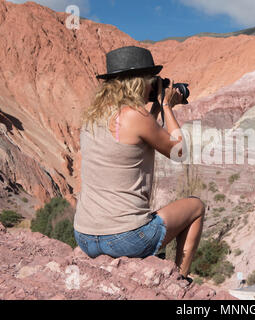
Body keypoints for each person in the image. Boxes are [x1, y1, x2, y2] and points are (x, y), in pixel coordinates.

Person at [73, 46, 205, 281]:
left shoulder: (93, 117)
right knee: (196, 207)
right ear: (139, 82)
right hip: (123, 240)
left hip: (84, 237)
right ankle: (181, 280)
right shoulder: (135, 117)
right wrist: (165, 105)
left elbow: (137, 138)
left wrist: (154, 108)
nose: (154, 85)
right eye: (152, 80)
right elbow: (179, 152)